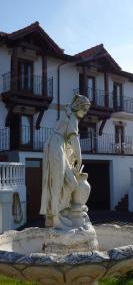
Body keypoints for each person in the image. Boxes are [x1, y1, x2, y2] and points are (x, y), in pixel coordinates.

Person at [40, 94, 91, 229]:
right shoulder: (72, 118)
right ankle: (55, 219)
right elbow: (74, 140)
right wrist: (79, 159)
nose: (85, 113)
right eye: (84, 109)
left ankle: (58, 212)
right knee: (56, 183)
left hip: (57, 146)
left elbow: (69, 141)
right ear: (79, 106)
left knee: (70, 182)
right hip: (56, 146)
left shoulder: (69, 115)